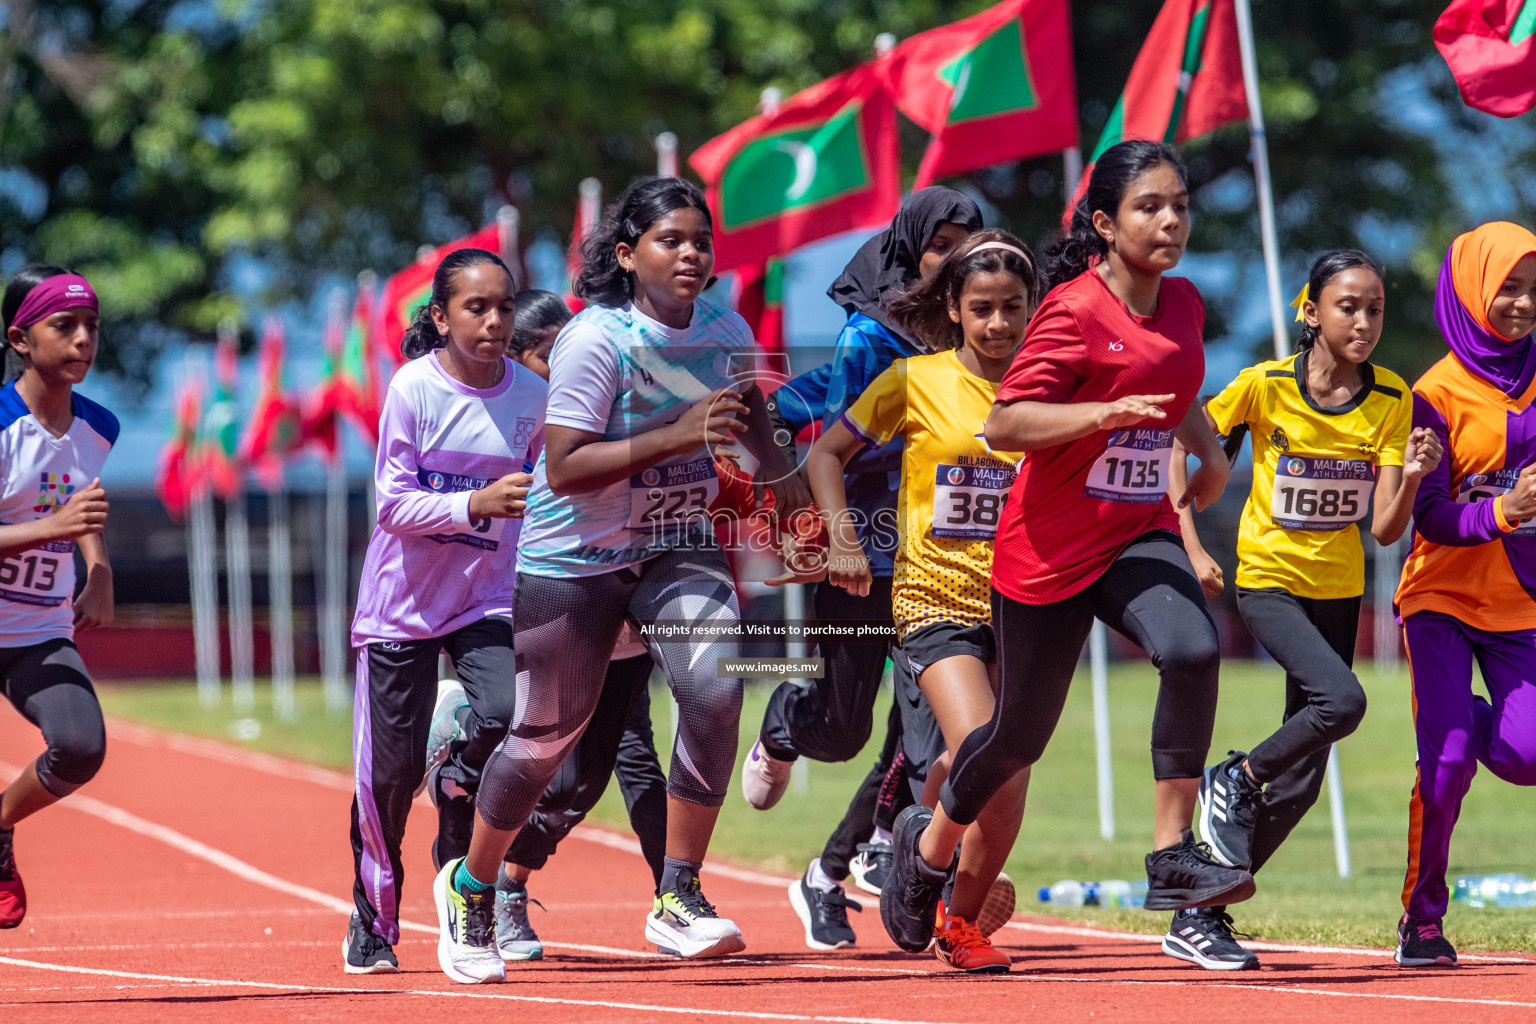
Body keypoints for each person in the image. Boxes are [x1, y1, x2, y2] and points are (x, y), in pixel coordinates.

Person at [880, 140, 1255, 955]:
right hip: (1045, 550)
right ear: (1103, 223)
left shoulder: (1185, 304)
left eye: (1180, 205)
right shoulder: (1073, 310)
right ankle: (927, 853)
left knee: (1192, 648)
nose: (1170, 220)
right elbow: (1006, 422)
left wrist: (1212, 450)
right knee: (1016, 738)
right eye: (1149, 206)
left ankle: (1170, 855)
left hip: (1132, 532)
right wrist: (1098, 418)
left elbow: (1173, 384)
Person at [432, 177, 809, 984]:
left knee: (714, 688)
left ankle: (678, 896)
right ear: (628, 253)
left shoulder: (723, 325)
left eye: (700, 241)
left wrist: (801, 507)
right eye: (671, 240)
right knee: (544, 740)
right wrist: (678, 432)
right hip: (574, 560)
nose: (691, 254)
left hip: (677, 543)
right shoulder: (596, 340)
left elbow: (754, 423)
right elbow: (563, 467)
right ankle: (472, 885)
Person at [1171, 249, 1439, 970]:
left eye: (1375, 309)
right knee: (1342, 701)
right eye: (1348, 306)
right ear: (1311, 311)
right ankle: (1232, 777)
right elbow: (1180, 438)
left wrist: (1410, 478)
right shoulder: (1264, 386)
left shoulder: (1391, 398)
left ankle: (1202, 911)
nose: (1364, 321)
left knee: (1306, 778)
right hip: (1268, 580)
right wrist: (1191, 543)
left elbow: (1384, 528)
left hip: (1339, 588)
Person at [744, 187, 982, 950]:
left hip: (944, 568)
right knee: (846, 733)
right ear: (912, 248)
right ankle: (787, 722)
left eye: (965, 243)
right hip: (863, 553)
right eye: (940, 243)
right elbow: (845, 442)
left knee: (930, 749)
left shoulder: (983, 328)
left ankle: (861, 872)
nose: (954, 258)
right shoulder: (868, 337)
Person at [808, 231, 1041, 971]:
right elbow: (825, 455)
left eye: (1012, 308)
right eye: (983, 309)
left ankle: (954, 918)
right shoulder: (915, 381)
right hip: (935, 599)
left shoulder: (1050, 391)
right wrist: (842, 537)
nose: (999, 324)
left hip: (1029, 608)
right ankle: (928, 851)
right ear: (954, 307)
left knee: (1006, 784)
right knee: (988, 754)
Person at [344, 248, 546, 975]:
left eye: (504, 307)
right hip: (399, 608)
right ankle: (372, 923)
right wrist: (475, 502)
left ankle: (457, 769)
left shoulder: (530, 395)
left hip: (483, 598)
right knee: (387, 777)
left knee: (509, 714)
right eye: (476, 308)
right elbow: (392, 504)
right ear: (441, 316)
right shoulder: (414, 389)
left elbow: (551, 491)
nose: (494, 321)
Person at [1393, 221, 1536, 968]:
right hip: (1441, 598)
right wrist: (1503, 512)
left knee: (1526, 755)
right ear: (1472, 289)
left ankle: (1462, 721)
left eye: (1533, 291)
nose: (1521, 303)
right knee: (1446, 766)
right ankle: (1421, 919)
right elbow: (1429, 516)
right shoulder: (1433, 394)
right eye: (1507, 286)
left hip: (1522, 605)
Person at [0, 266, 116, 930]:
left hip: (38, 630)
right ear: (20, 338)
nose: (82, 340)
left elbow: (85, 507)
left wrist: (97, 570)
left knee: (80, 747)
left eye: (91, 327)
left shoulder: (98, 427)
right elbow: (60, 517)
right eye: (63, 326)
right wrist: (52, 530)